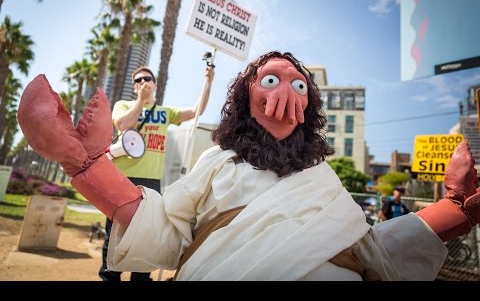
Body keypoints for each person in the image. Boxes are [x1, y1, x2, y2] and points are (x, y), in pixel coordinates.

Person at [18, 51, 480, 280]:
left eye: (300, 86)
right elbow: (166, 226)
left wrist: (458, 209)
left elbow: (369, 248)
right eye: (273, 79)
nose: (286, 93)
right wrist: (87, 165)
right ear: (246, 97)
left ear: (311, 106)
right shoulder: (217, 161)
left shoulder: (324, 177)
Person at [99, 65, 215, 281]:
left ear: (155, 84)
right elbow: (122, 124)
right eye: (138, 80)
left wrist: (208, 83)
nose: (143, 82)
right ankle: (110, 277)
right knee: (114, 233)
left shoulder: (166, 112)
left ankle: (141, 278)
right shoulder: (123, 105)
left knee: (146, 235)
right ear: (134, 87)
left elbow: (196, 110)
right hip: (122, 179)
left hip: (151, 182)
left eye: (147, 79)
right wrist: (141, 102)